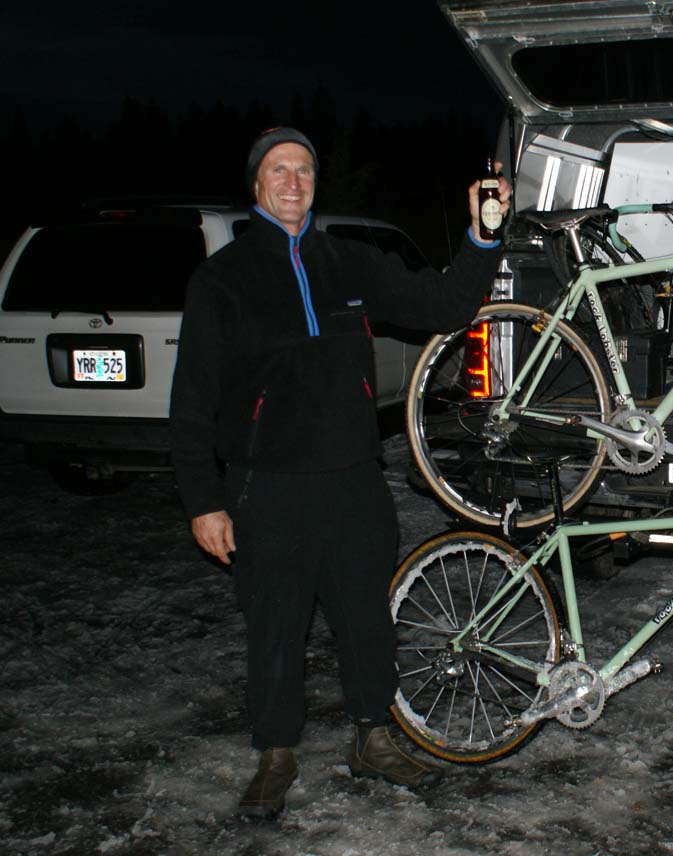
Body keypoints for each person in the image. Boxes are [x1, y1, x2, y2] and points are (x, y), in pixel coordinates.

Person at [169, 127, 511, 820]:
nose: (292, 181)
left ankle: (374, 737)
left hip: (353, 476)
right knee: (274, 626)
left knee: (366, 620)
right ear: (257, 184)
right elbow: (192, 399)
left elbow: (442, 306)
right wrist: (204, 500)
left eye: (303, 169)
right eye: (278, 169)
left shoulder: (346, 261)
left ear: (315, 183)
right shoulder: (223, 279)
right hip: (268, 485)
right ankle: (276, 754)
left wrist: (480, 236)